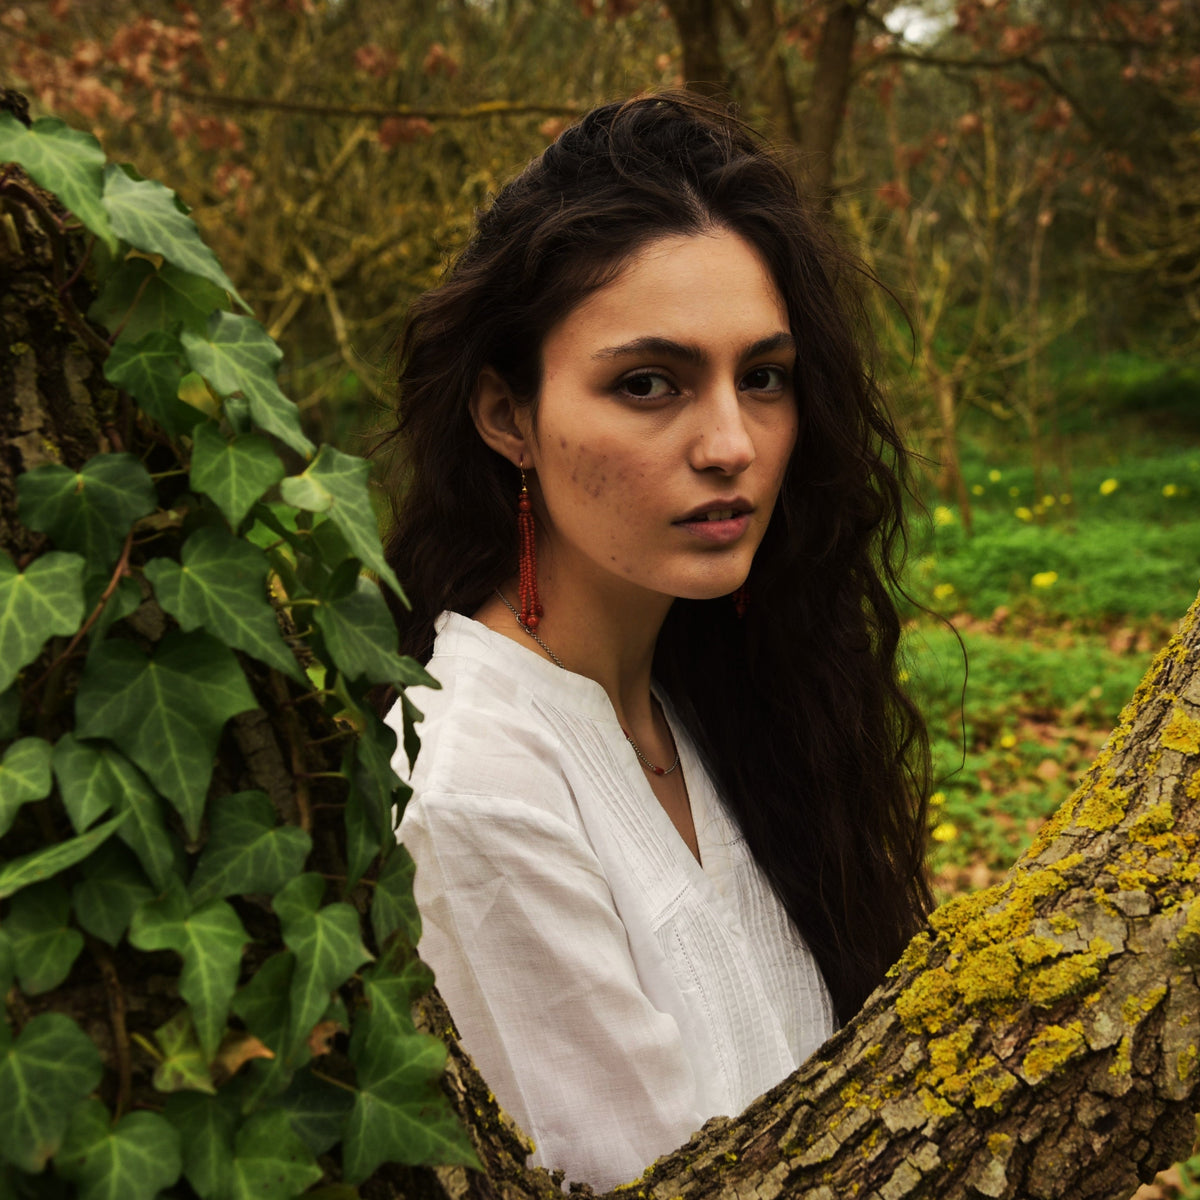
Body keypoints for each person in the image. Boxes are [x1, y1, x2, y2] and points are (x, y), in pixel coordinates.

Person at [380, 92, 932, 1191]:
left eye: (763, 377)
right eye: (648, 384)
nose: (731, 444)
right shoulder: (478, 786)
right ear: (507, 417)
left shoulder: (715, 694)